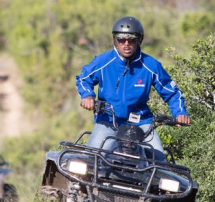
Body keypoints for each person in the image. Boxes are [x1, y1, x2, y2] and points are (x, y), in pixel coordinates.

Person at [76, 16, 190, 161]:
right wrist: (87, 96)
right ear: (115, 40)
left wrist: (180, 112)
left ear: (139, 41)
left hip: (142, 123)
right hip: (108, 120)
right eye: (121, 39)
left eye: (132, 40)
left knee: (160, 163)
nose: (126, 44)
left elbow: (173, 93)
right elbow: (83, 79)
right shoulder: (103, 61)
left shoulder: (151, 65)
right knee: (90, 160)